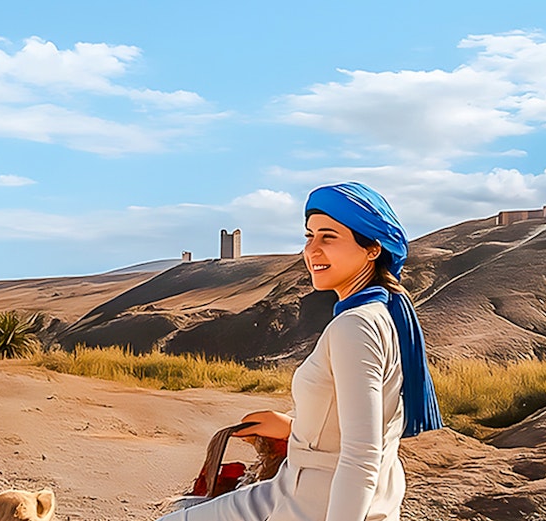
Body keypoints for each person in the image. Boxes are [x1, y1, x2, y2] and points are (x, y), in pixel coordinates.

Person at [157, 181, 442, 521]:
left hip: (316, 501)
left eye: (329, 237)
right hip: (305, 486)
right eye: (309, 236)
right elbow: (359, 427)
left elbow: (361, 456)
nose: (312, 250)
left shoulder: (356, 326)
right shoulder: (383, 316)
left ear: (372, 249)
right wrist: (293, 428)